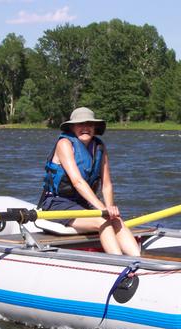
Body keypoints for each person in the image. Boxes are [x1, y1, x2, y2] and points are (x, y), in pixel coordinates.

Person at [37, 107, 140, 256]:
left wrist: (110, 209)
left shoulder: (100, 147)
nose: (85, 128)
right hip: (57, 204)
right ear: (72, 127)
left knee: (116, 220)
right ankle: (119, 265)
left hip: (81, 204)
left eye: (89, 124)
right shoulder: (64, 144)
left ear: (95, 127)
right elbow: (77, 181)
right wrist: (103, 210)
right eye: (80, 124)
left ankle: (139, 260)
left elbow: (107, 185)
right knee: (103, 221)